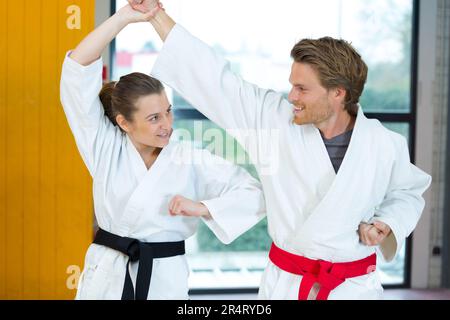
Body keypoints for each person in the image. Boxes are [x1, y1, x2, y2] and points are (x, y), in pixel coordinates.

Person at [127, 0, 432, 300]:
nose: (291, 96)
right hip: (286, 284)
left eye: (303, 89)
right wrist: (156, 16)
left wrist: (386, 224)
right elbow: (216, 81)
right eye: (292, 85)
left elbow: (407, 193)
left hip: (352, 289)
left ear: (338, 93)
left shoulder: (383, 143)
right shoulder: (274, 121)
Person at [59, 3, 266, 300]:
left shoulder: (189, 157)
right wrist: (124, 16)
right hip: (105, 276)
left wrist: (203, 208)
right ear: (124, 122)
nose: (167, 125)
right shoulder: (104, 147)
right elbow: (76, 70)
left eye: (168, 112)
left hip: (163, 279)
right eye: (154, 118)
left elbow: (252, 191)